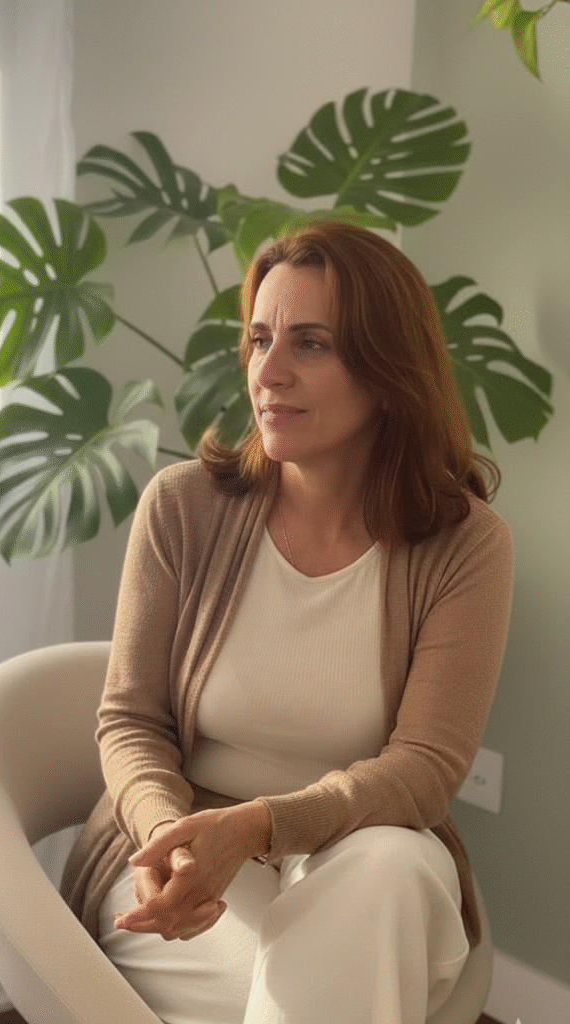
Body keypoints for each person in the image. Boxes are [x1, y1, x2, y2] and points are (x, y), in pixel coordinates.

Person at [61, 221, 514, 1024]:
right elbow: (129, 720)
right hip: (188, 849)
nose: (267, 372)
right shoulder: (182, 508)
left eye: (309, 343)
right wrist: (173, 837)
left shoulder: (464, 545)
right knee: (335, 988)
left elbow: (424, 768)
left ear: (388, 369)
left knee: (386, 878)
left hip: (365, 847)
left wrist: (261, 826)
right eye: (259, 339)